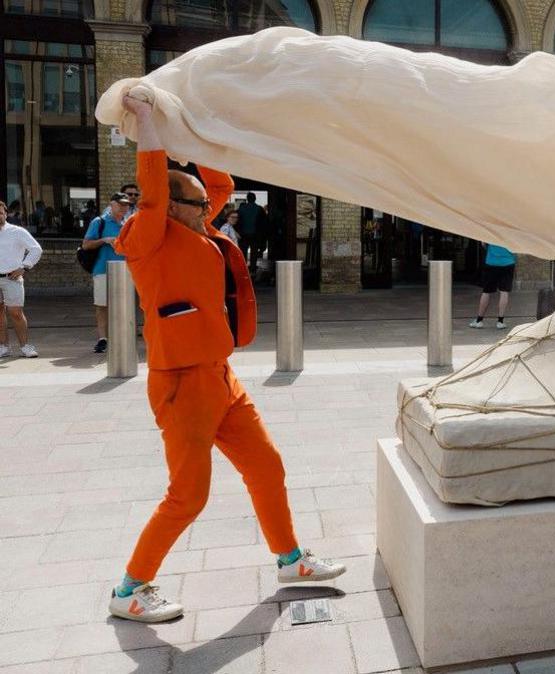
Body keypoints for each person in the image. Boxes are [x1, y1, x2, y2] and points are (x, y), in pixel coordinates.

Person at [108, 94, 345, 624]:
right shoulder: (149, 236)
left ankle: (290, 560)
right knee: (188, 496)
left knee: (267, 466)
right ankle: (130, 588)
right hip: (181, 383)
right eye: (195, 202)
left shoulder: (196, 226)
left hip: (220, 377)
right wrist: (149, 122)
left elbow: (220, 186)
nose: (210, 206)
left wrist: (191, 135)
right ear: (171, 207)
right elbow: (151, 191)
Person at [82, 193, 133, 353]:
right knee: (102, 305)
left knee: (124, 305)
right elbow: (86, 245)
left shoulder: (128, 223)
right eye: (120, 204)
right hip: (102, 269)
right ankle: (102, 338)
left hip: (125, 270)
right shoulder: (100, 222)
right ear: (111, 204)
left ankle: (122, 336)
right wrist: (105, 240)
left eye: (126, 205)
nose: (123, 208)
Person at [0, 200, 43, 358]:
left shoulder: (17, 231)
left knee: (16, 312)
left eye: (0, 212)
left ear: (6, 213)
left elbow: (36, 249)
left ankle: (25, 346)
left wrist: (24, 267)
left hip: (12, 278)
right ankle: (3, 347)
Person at [470, 243, 516, 329]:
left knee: (486, 291)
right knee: (504, 291)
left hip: (492, 262)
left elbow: (483, 243)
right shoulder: (511, 229)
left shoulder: (491, 229)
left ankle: (479, 321)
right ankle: (500, 322)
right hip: (508, 262)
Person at [236, 192, 266, 275]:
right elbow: (263, 224)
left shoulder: (241, 209)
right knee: (254, 253)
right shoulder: (259, 209)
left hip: (243, 235)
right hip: (255, 235)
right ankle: (252, 269)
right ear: (255, 199)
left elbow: (236, 221)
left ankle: (244, 269)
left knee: (243, 252)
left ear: (247, 199)